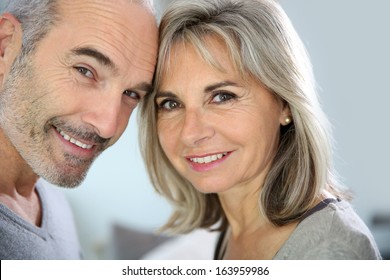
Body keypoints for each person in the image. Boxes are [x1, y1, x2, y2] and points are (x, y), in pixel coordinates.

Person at [139, 0, 381, 259]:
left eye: (222, 97)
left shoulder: (331, 251)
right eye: (171, 104)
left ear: (285, 104)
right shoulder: (231, 231)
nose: (190, 133)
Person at [0, 0, 158, 259]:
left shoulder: (51, 201)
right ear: (5, 46)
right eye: (85, 71)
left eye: (131, 93)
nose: (108, 126)